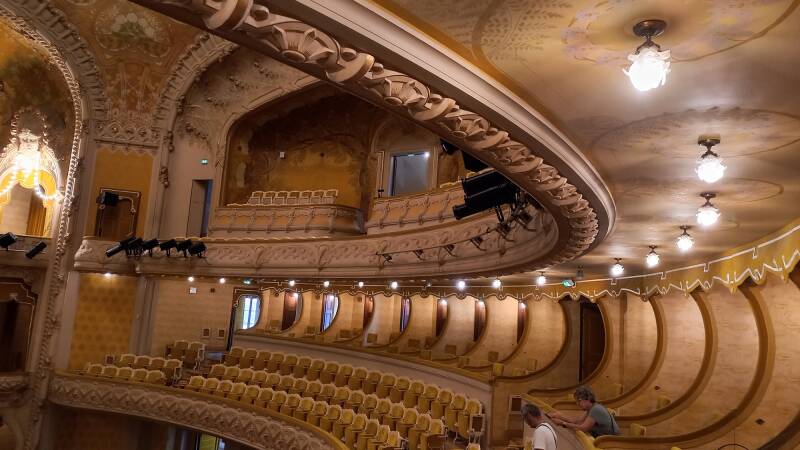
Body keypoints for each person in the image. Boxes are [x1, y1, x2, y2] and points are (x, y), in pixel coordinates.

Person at [551, 386, 619, 437]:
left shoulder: (596, 409)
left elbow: (583, 428)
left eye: (579, 401)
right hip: (603, 440)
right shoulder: (591, 408)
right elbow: (577, 422)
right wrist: (560, 416)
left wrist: (562, 423)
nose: (577, 404)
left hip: (610, 442)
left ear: (588, 399)